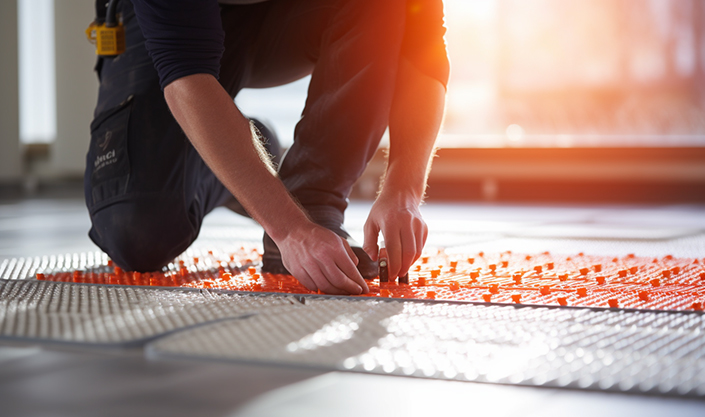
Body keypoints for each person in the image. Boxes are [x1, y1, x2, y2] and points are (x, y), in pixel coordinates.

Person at [85, 0, 449, 295]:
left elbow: (423, 44)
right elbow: (186, 74)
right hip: (158, 27)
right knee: (137, 230)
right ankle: (251, 157)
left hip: (283, 15)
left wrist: (404, 190)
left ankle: (312, 202)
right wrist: (289, 230)